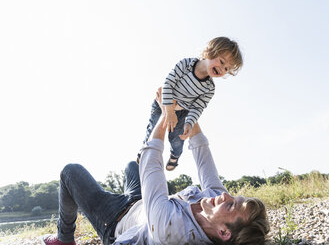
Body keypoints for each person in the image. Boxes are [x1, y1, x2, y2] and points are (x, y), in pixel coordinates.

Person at [42, 92, 269, 245]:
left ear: (223, 232)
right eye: (234, 197)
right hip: (138, 204)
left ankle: (64, 238)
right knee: (132, 167)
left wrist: (166, 113)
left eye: (230, 205)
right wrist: (190, 111)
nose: (225, 195)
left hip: (114, 220)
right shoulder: (214, 200)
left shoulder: (171, 230)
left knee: (70, 172)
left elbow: (152, 161)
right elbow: (202, 154)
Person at [138, 36, 243, 171]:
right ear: (210, 52)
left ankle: (175, 155)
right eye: (221, 62)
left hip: (182, 112)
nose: (222, 69)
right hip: (165, 102)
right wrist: (169, 111)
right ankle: (145, 150)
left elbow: (198, 108)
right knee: (153, 127)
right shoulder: (185, 64)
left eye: (226, 69)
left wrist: (189, 123)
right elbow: (168, 84)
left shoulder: (209, 88)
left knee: (177, 138)